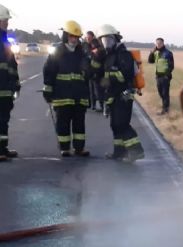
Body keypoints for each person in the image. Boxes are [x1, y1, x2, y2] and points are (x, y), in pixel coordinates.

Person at [92, 24, 144, 162]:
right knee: (115, 124)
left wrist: (108, 78)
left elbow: (126, 75)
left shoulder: (124, 54)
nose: (106, 43)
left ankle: (136, 150)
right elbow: (97, 73)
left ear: (115, 39)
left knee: (122, 123)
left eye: (109, 39)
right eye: (103, 40)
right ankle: (119, 152)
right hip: (113, 95)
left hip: (124, 94)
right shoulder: (108, 56)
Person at [43, 20, 91, 157]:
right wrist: (48, 89)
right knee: (63, 123)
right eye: (71, 36)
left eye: (76, 37)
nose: (74, 39)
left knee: (79, 124)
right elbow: (49, 71)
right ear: (65, 36)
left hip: (79, 95)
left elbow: (88, 74)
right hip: (62, 95)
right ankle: (65, 148)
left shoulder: (82, 52)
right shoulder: (57, 52)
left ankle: (79, 148)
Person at [0, 3, 19, 162]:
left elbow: (11, 66)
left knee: (3, 121)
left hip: (5, 90)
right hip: (2, 89)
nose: (7, 23)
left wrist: (15, 84)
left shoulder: (4, 41)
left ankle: (2, 149)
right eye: (4, 20)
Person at [147, 37, 173, 115]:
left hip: (165, 76)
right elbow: (150, 61)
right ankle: (166, 104)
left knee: (165, 93)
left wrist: (167, 75)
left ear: (163, 43)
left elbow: (171, 66)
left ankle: (165, 110)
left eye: (159, 43)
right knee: (160, 92)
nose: (158, 45)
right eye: (157, 43)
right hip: (158, 76)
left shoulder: (168, 53)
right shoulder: (156, 53)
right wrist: (151, 52)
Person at [83, 30, 104, 112]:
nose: (87, 38)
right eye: (86, 37)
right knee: (91, 89)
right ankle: (93, 105)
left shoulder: (95, 44)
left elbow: (96, 54)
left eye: (89, 37)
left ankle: (102, 106)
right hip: (89, 71)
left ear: (92, 37)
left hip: (96, 72)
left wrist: (92, 52)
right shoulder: (85, 45)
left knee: (97, 90)